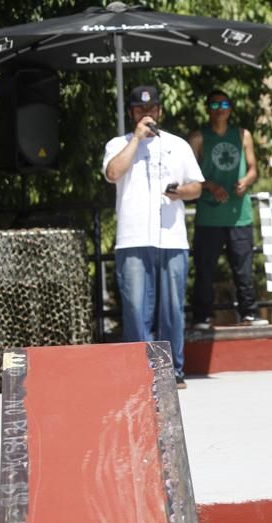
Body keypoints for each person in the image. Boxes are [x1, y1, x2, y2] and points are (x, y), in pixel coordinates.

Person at [103, 84, 204, 389]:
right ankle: (140, 371)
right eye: (139, 110)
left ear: (160, 110)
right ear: (132, 113)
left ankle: (172, 370)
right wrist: (136, 138)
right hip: (132, 238)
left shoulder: (178, 144)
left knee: (172, 306)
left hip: (171, 238)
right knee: (135, 306)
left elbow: (197, 186)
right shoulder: (118, 144)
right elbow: (112, 174)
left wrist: (180, 192)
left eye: (151, 110)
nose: (146, 114)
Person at [188, 89, 267, 328]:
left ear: (231, 108)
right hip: (209, 215)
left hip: (239, 214)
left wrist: (246, 180)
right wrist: (210, 185)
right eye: (214, 105)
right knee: (205, 269)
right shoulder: (198, 137)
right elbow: (187, 174)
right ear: (207, 109)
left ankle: (249, 313)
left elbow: (253, 169)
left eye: (224, 104)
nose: (220, 109)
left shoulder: (243, 135)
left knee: (243, 269)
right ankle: (202, 316)